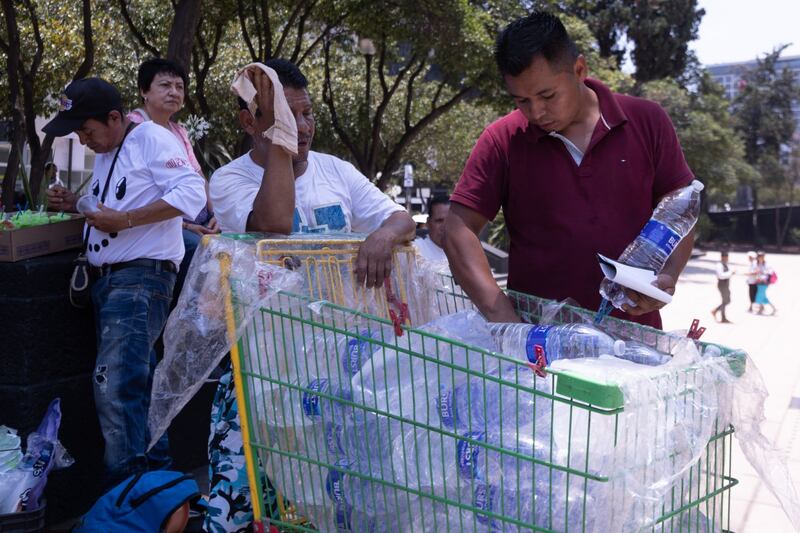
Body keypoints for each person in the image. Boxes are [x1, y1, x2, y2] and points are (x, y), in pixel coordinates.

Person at [206, 59, 414, 531]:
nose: (301, 127)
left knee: (332, 493)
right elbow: (274, 226)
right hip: (265, 367)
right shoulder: (229, 180)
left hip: (338, 365)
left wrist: (382, 237)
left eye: (306, 114)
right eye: (286, 115)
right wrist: (280, 141)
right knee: (252, 497)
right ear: (249, 122)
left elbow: (400, 218)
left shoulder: (335, 171)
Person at [444, 12, 695, 329]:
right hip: (539, 344)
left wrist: (667, 276)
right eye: (522, 100)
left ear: (579, 69)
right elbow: (458, 229)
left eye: (547, 96)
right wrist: (508, 325)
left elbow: (681, 209)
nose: (536, 112)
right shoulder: (503, 139)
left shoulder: (646, 121)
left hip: (633, 338)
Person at [44, 78, 207, 488]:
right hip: (115, 282)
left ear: (114, 118)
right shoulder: (110, 151)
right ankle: (160, 491)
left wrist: (126, 220)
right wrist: (77, 205)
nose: (83, 141)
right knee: (137, 390)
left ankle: (127, 495)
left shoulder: (151, 138)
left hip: (139, 279)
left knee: (115, 389)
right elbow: (116, 205)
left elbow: (192, 193)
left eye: (87, 130)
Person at [129, 57, 219, 296]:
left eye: (179, 87)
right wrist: (186, 226)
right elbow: (136, 193)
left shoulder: (178, 131)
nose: (174, 92)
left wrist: (216, 215)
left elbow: (197, 175)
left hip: (196, 219)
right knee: (198, 249)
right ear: (144, 91)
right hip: (162, 222)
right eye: (165, 85)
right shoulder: (133, 128)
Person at [414, 195, 450, 264]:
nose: (445, 227)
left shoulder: (467, 250)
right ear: (428, 223)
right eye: (439, 221)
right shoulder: (413, 250)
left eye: (450, 221)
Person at [710, 251, 734, 323]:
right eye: (725, 257)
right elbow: (721, 276)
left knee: (726, 301)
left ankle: (722, 317)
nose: (726, 259)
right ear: (722, 257)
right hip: (722, 284)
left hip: (726, 284)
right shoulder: (719, 265)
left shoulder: (725, 264)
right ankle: (716, 311)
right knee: (726, 301)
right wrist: (730, 273)